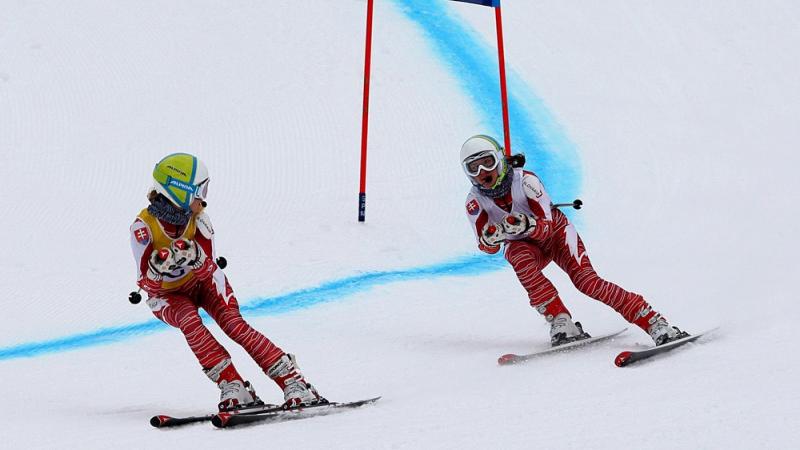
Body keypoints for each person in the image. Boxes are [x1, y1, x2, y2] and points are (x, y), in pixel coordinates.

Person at [130, 153, 326, 411]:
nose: (203, 199)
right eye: (199, 191)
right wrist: (156, 271)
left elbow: (208, 270)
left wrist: (196, 258)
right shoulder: (143, 228)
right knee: (189, 321)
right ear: (180, 193)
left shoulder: (199, 220)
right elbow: (146, 285)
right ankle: (232, 384)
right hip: (169, 296)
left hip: (203, 284)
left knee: (233, 323)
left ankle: (293, 381)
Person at [461, 135, 687, 346]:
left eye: (488, 162)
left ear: (500, 159)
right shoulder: (474, 201)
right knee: (515, 254)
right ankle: (560, 320)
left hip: (557, 236)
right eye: (473, 167)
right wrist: (491, 239)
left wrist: (527, 225)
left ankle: (654, 321)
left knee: (587, 283)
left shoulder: (526, 181)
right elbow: (487, 247)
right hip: (527, 247)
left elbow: (547, 227)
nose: (482, 171)